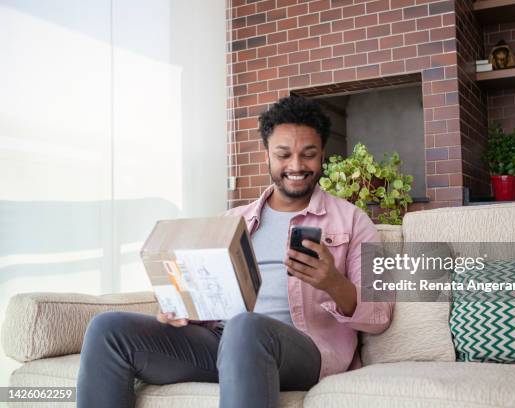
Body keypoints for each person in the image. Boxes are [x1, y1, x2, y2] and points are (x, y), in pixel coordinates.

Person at [76, 95, 394, 408]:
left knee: (246, 326)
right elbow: (208, 302)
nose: (296, 165)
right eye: (283, 154)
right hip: (223, 343)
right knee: (108, 329)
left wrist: (332, 282)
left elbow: (380, 314)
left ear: (322, 154)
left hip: (302, 350)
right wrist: (181, 305)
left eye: (308, 154)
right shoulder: (231, 222)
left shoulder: (353, 221)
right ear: (266, 155)